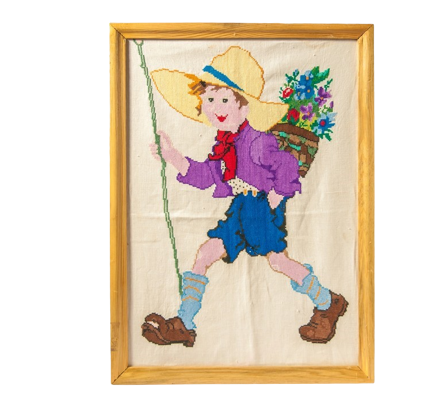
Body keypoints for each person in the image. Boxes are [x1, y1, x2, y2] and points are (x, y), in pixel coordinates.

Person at [141, 46, 347, 348]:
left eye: (225, 100)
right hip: (240, 209)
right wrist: (173, 157)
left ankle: (328, 302)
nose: (216, 107)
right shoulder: (225, 144)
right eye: (210, 99)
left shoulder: (257, 141)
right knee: (206, 253)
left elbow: (287, 165)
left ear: (245, 108)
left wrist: (276, 195)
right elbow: (208, 174)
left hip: (262, 208)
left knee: (277, 261)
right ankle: (184, 323)